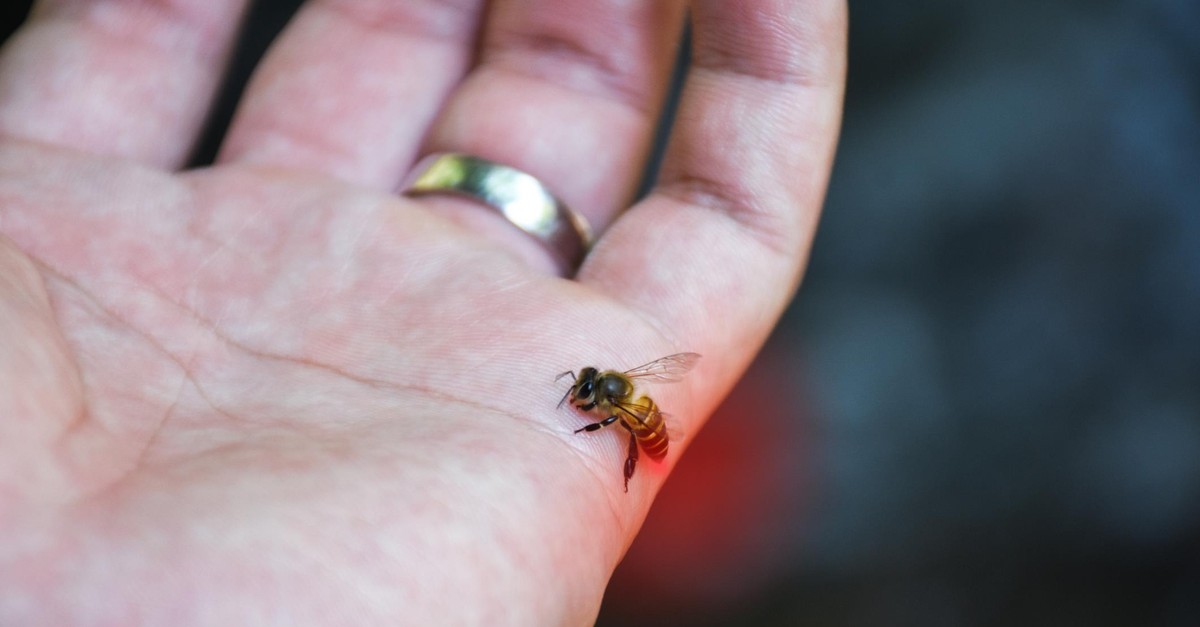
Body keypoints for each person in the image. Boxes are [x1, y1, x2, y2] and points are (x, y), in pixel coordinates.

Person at [0, 0, 846, 623]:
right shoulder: (618, 391)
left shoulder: (623, 409)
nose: (587, 394)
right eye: (593, 391)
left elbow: (629, 421)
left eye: (589, 394)